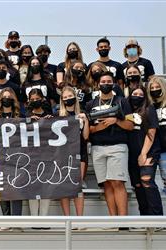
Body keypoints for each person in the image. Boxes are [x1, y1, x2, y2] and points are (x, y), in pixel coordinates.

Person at [85, 71, 134, 216]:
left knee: (117, 182)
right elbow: (88, 130)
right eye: (103, 82)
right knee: (106, 184)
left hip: (117, 147)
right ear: (98, 84)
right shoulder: (90, 104)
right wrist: (101, 126)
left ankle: (123, 221)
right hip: (97, 148)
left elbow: (130, 126)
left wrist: (116, 121)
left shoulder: (122, 101)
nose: (105, 84)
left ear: (113, 84)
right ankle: (113, 219)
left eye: (108, 82)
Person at [127, 85, 163, 215]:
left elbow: (151, 132)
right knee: (138, 186)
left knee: (147, 180)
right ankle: (145, 217)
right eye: (134, 94)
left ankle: (157, 218)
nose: (137, 97)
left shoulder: (149, 109)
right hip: (132, 154)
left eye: (140, 94)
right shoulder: (127, 112)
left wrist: (143, 154)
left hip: (148, 151)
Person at [58, 85, 89, 216]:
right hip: (63, 153)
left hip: (80, 152)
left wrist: (86, 121)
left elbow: (86, 137)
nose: (68, 99)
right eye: (65, 97)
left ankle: (79, 219)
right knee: (64, 186)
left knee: (78, 186)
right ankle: (67, 218)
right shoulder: (58, 115)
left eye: (70, 96)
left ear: (75, 98)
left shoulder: (82, 113)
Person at [0, 87, 23, 218]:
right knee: (2, 186)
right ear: (0, 100)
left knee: (17, 186)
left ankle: (16, 219)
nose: (7, 100)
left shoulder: (20, 116)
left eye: (9, 98)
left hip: (17, 155)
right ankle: (6, 219)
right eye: (4, 97)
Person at [26, 89, 53, 217]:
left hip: (47, 154)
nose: (35, 101)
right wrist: (26, 121)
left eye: (38, 99)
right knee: (32, 186)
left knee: (46, 185)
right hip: (31, 155)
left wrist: (51, 121)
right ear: (28, 100)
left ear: (42, 99)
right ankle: (34, 218)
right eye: (32, 99)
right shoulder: (25, 114)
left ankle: (44, 217)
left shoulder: (49, 114)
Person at [147, 76, 166, 194]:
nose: (154, 89)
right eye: (152, 88)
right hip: (153, 147)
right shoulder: (149, 106)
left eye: (157, 87)